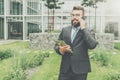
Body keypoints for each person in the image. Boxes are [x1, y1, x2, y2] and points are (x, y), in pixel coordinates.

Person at [54, 6, 98, 80]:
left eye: (77, 15)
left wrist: (83, 28)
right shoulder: (65, 30)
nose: (74, 17)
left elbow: (92, 45)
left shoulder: (88, 31)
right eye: (73, 15)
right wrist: (60, 49)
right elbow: (56, 45)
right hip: (65, 70)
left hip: (81, 70)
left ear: (83, 17)